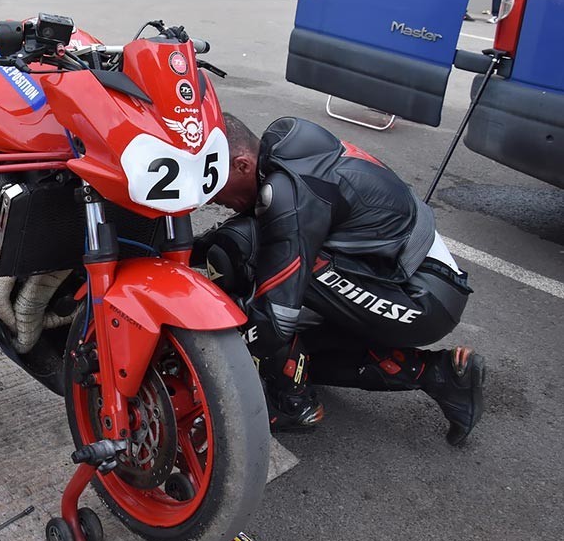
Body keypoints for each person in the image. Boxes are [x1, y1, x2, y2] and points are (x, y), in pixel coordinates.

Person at [195, 114, 483, 446]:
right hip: (400, 276)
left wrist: (220, 354)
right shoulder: (280, 149)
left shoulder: (288, 190)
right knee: (298, 353)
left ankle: (293, 404)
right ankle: (441, 375)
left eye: (213, 185)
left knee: (252, 269)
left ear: (242, 165)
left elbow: (275, 316)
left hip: (424, 296)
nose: (211, 198)